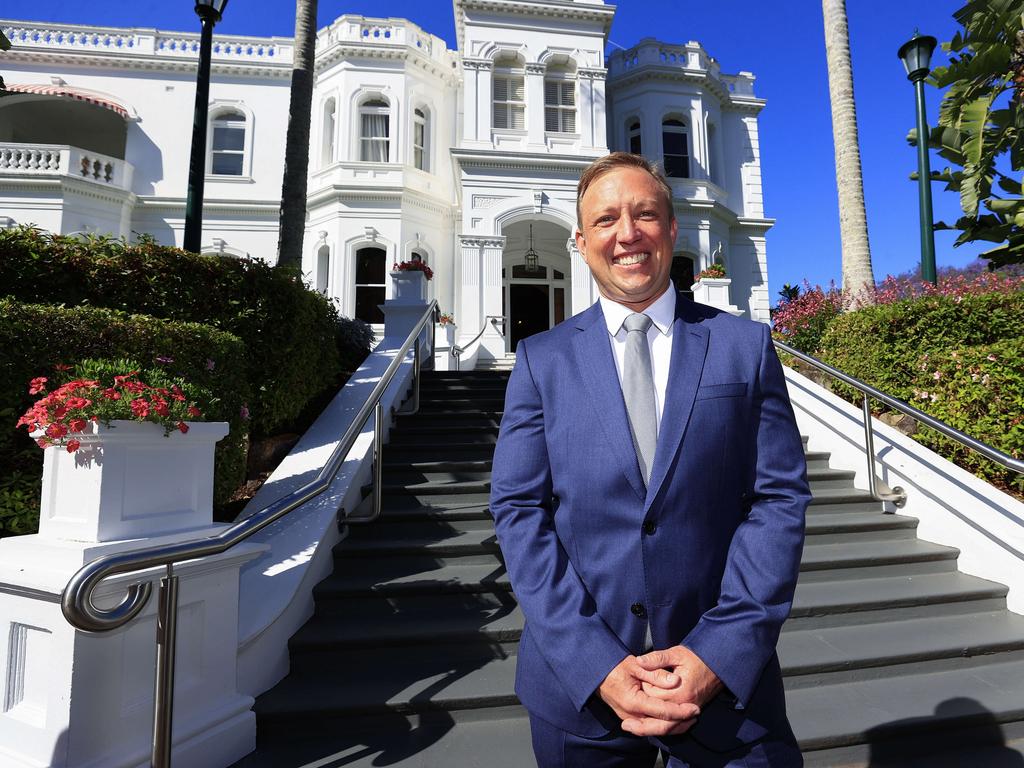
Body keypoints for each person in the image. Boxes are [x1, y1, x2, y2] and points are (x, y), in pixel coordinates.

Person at [489, 152, 810, 767]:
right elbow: (518, 509)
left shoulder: (745, 347)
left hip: (728, 697)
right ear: (581, 243)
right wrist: (597, 664)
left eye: (645, 214)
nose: (627, 233)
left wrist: (718, 653)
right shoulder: (540, 360)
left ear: (672, 229)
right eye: (606, 220)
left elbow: (779, 500)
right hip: (581, 697)